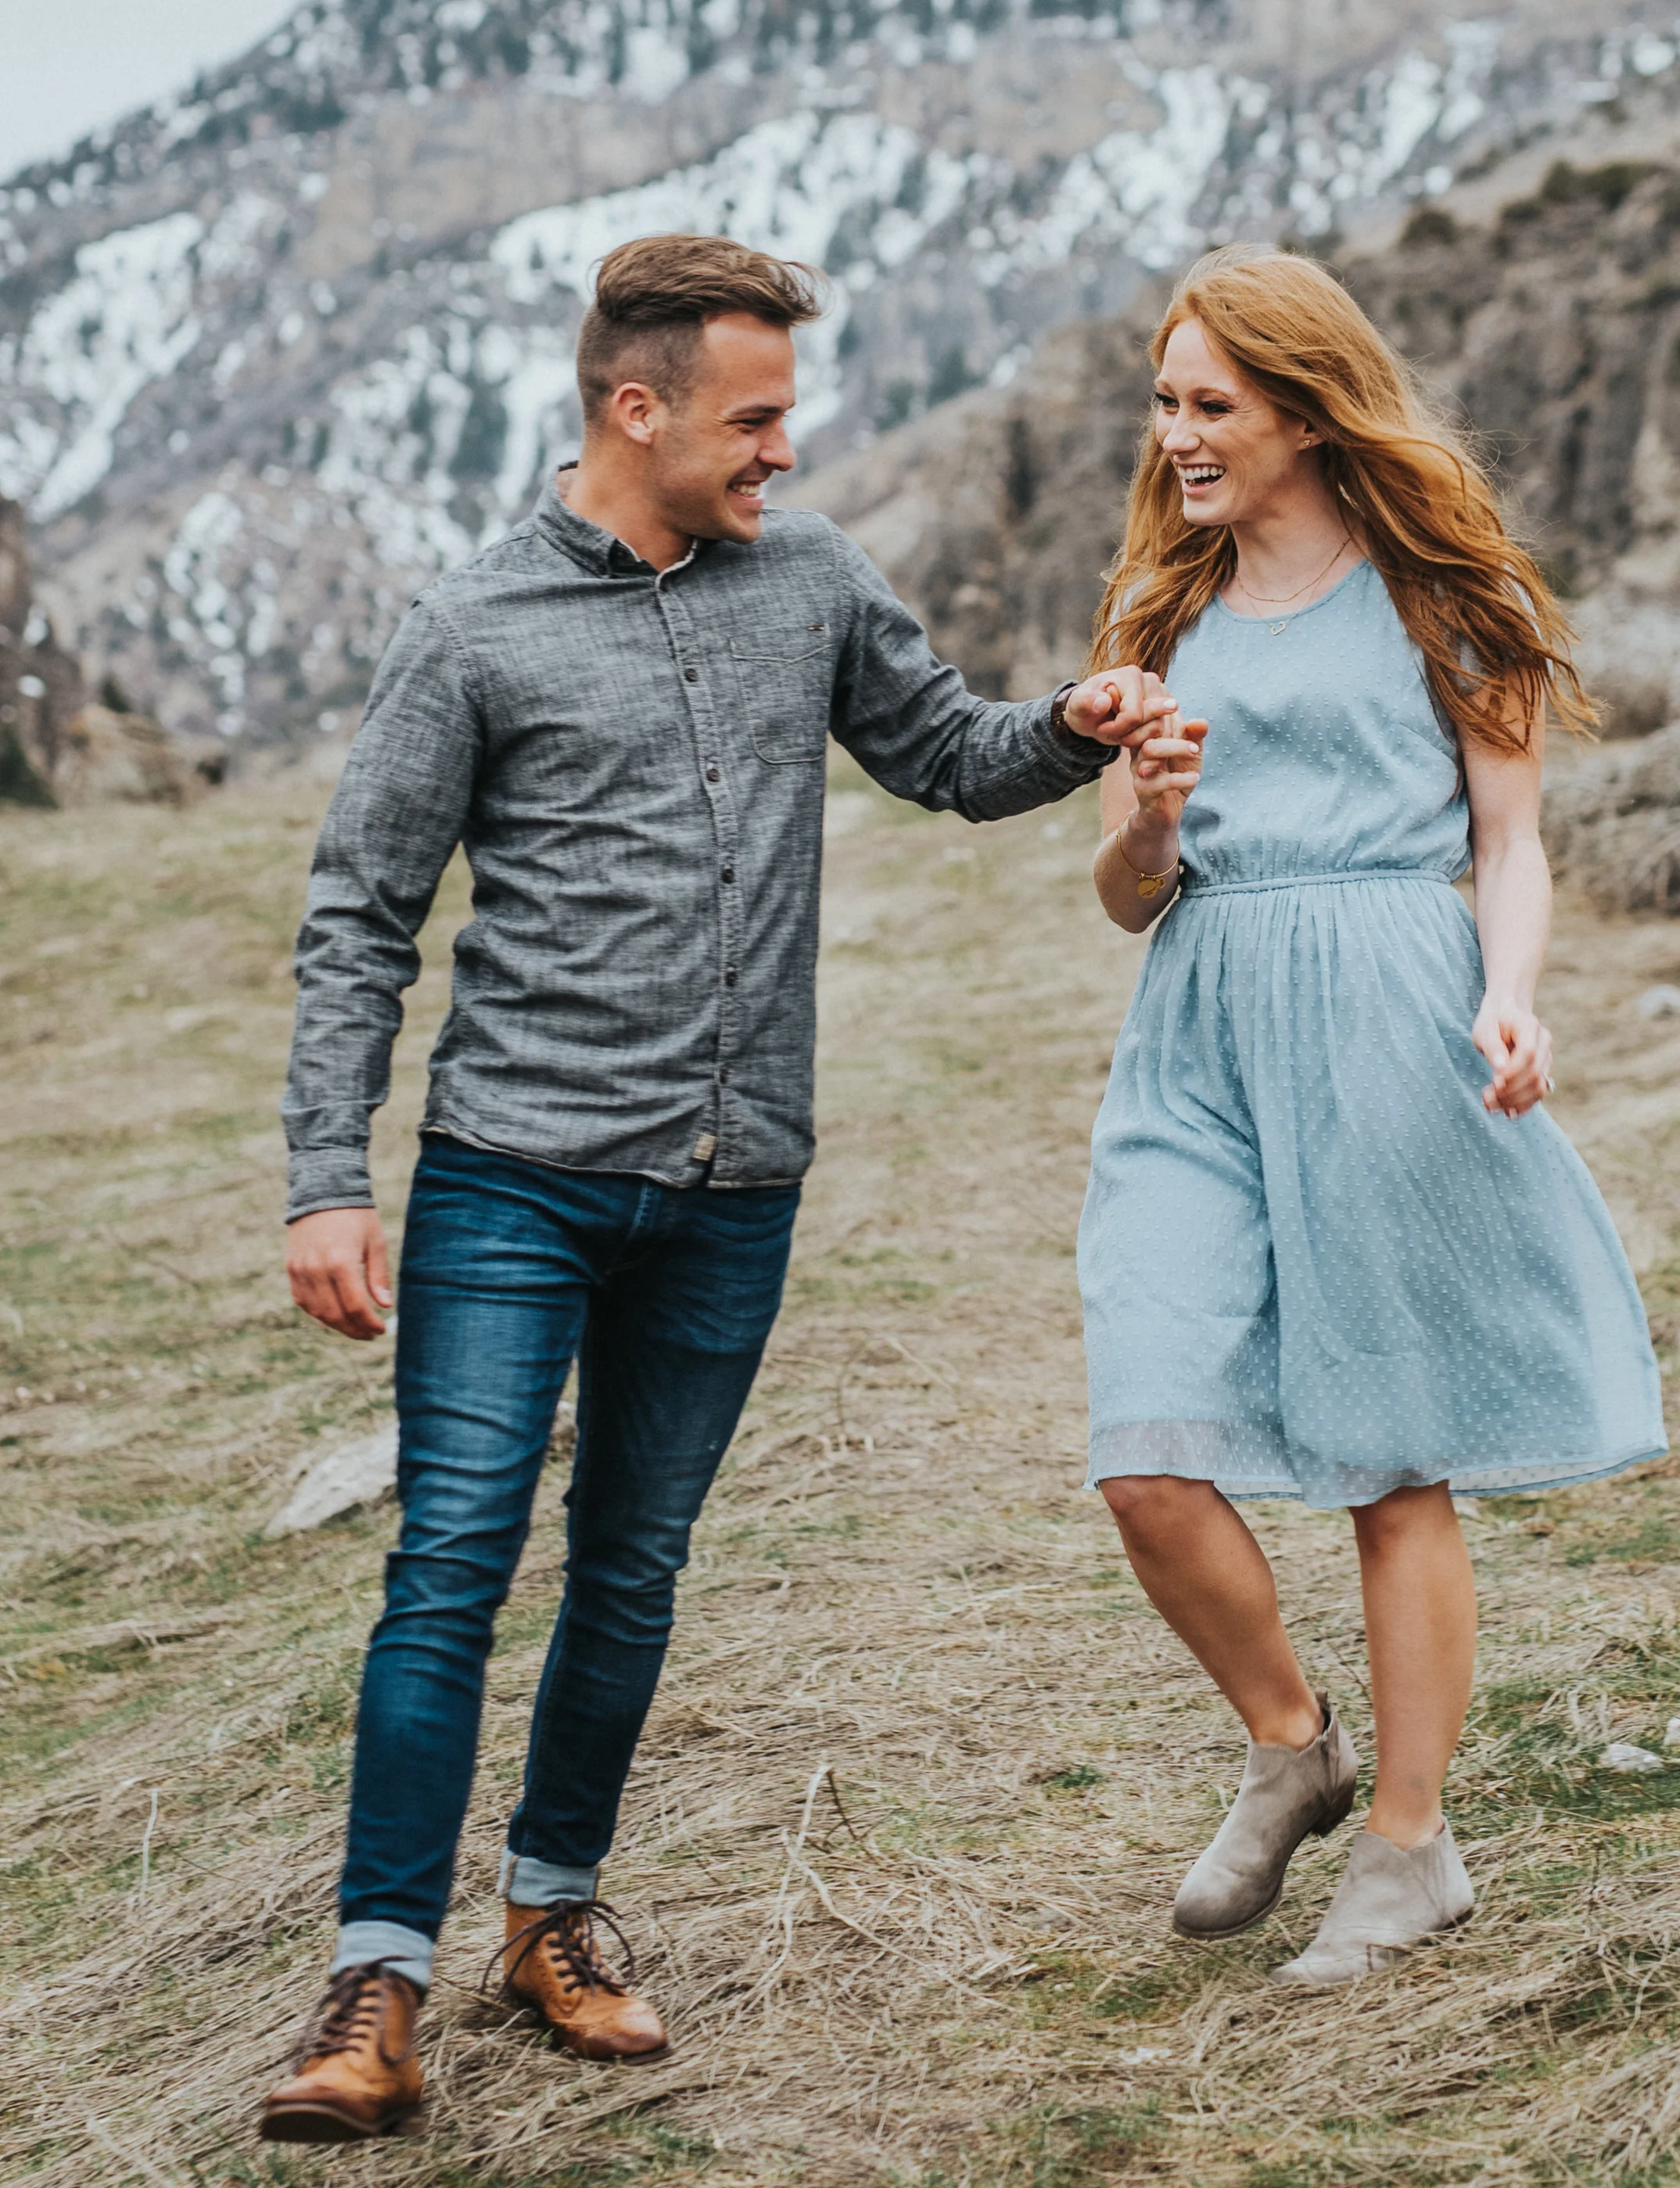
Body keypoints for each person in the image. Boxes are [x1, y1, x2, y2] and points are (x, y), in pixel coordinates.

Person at [259, 232, 1169, 2143]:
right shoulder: (471, 625)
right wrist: (327, 1179)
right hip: (511, 1182)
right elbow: (358, 918)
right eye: (754, 420)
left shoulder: (811, 579)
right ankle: (375, 1984)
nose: (783, 451)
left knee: (633, 1566)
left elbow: (947, 756)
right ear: (635, 407)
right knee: (450, 1566)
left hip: (735, 1185)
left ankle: (551, 1917)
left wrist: (1071, 724)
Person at [1076, 246, 1665, 1990]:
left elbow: (1510, 838)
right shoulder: (1155, 612)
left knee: (1390, 1461)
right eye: (1165, 403)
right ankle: (1292, 1745)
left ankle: (1410, 1848)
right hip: (1196, 1029)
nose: (1178, 435)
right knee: (1144, 1458)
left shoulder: (1441, 591)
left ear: (1307, 410)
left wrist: (1511, 990)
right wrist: (1151, 823)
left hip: (1393, 1011)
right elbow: (1125, 896)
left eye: (1212, 405)